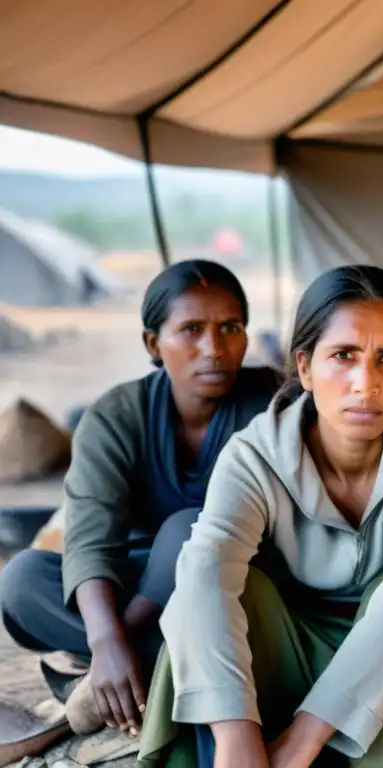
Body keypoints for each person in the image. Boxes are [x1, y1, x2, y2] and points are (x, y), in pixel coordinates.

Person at [136, 266, 383, 768]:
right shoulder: (254, 453)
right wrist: (236, 737)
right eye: (343, 356)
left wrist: (302, 738)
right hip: (285, 642)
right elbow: (207, 569)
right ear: (305, 367)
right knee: (213, 594)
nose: (364, 383)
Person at [0, 260, 280, 745]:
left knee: (191, 529)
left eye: (230, 328)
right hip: (142, 581)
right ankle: (139, 658)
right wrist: (106, 640)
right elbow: (89, 538)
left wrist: (110, 641)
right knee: (22, 580)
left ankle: (108, 677)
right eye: (191, 329)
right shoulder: (116, 415)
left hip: (236, 587)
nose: (213, 348)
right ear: (154, 344)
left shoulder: (275, 403)